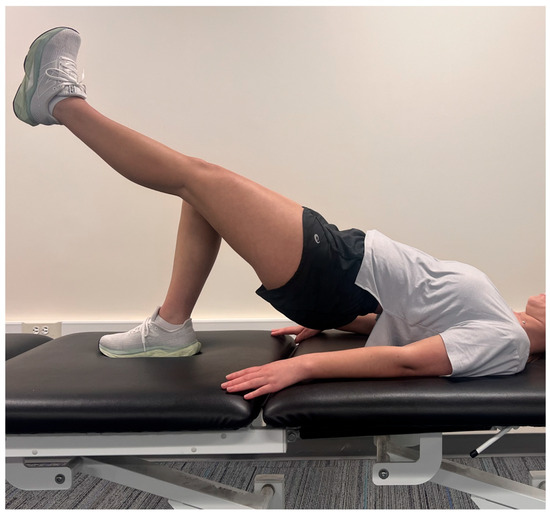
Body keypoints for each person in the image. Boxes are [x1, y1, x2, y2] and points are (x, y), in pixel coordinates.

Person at [13, 27, 545, 400]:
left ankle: (61, 103)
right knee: (201, 195)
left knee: (197, 177)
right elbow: (408, 322)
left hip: (334, 270)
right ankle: (170, 326)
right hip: (340, 277)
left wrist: (305, 368)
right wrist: (340, 320)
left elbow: (410, 361)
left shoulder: (507, 339)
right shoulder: (500, 321)